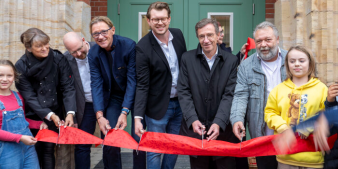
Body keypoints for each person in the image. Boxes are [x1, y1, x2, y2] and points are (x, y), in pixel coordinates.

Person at [178, 18, 238, 169]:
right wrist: (192, 119)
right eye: (201, 36)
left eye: (210, 35)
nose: (206, 40)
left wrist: (218, 122)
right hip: (196, 132)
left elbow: (229, 94)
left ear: (218, 36)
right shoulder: (187, 58)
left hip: (224, 132)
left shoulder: (231, 61)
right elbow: (184, 91)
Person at [134, 2, 187, 169]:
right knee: (155, 149)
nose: (160, 23)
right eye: (155, 19)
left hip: (180, 104)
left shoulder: (178, 35)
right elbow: (142, 85)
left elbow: (185, 67)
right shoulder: (142, 47)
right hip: (157, 108)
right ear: (148, 21)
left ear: (169, 19)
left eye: (163, 19)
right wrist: (138, 117)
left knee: (175, 146)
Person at [88, 16, 146, 169]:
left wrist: (125, 111)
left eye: (104, 32)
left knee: (137, 138)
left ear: (112, 30)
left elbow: (133, 81)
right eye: (95, 34)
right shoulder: (93, 53)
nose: (100, 37)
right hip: (113, 97)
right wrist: (99, 115)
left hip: (135, 94)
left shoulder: (128, 45)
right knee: (109, 136)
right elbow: (96, 84)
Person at [15, 28, 76, 169]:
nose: (45, 48)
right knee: (34, 150)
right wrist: (48, 115)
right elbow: (29, 96)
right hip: (33, 114)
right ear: (29, 48)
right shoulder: (21, 65)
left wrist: (70, 113)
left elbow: (67, 87)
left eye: (46, 44)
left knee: (49, 149)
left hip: (55, 109)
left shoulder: (58, 58)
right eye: (39, 46)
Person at [230, 21, 288, 169]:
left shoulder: (292, 60)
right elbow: (240, 95)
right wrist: (237, 118)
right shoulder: (246, 65)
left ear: (277, 39)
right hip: (261, 134)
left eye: (268, 39)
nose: (263, 44)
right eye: (259, 41)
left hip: (290, 131)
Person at [265, 45, 327, 168]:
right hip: (286, 158)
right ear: (287, 65)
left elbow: (327, 115)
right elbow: (270, 113)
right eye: (292, 61)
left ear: (310, 63)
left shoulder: (321, 89)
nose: (297, 64)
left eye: (301, 61)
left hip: (313, 159)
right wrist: (283, 127)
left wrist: (309, 125)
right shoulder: (278, 90)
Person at [274, 83, 338, 169]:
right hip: (332, 155)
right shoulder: (279, 89)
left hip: (317, 158)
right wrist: (330, 102)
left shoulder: (320, 88)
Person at [0, 60, 47, 169]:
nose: (5, 79)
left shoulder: (18, 96)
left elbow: (21, 120)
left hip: (27, 147)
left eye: (9, 75)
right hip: (7, 151)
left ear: (14, 77)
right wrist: (20, 137)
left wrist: (38, 124)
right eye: (1, 75)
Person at [63, 32, 96, 169]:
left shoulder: (98, 49)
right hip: (84, 106)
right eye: (73, 52)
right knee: (82, 145)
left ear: (83, 40)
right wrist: (72, 114)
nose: (77, 53)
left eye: (79, 49)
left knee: (112, 143)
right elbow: (66, 88)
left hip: (106, 103)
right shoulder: (65, 59)